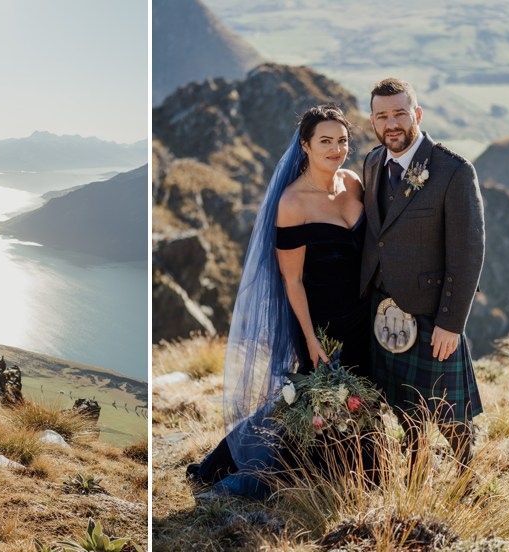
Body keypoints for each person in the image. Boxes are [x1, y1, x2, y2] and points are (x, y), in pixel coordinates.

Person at [188, 105, 369, 498]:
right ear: (305, 145)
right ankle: (234, 471)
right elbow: (293, 280)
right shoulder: (293, 203)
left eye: (342, 141)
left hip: (361, 317)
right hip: (320, 322)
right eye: (325, 141)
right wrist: (311, 339)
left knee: (340, 401)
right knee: (314, 403)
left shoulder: (354, 183)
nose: (336, 149)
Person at [360, 77, 485, 469]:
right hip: (381, 308)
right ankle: (416, 472)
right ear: (373, 120)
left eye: (400, 112)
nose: (391, 123)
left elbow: (468, 253)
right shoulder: (371, 163)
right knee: (403, 405)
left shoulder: (453, 171)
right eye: (382, 115)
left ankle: (467, 478)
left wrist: (452, 322)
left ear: (417, 114)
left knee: (450, 414)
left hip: (433, 314)